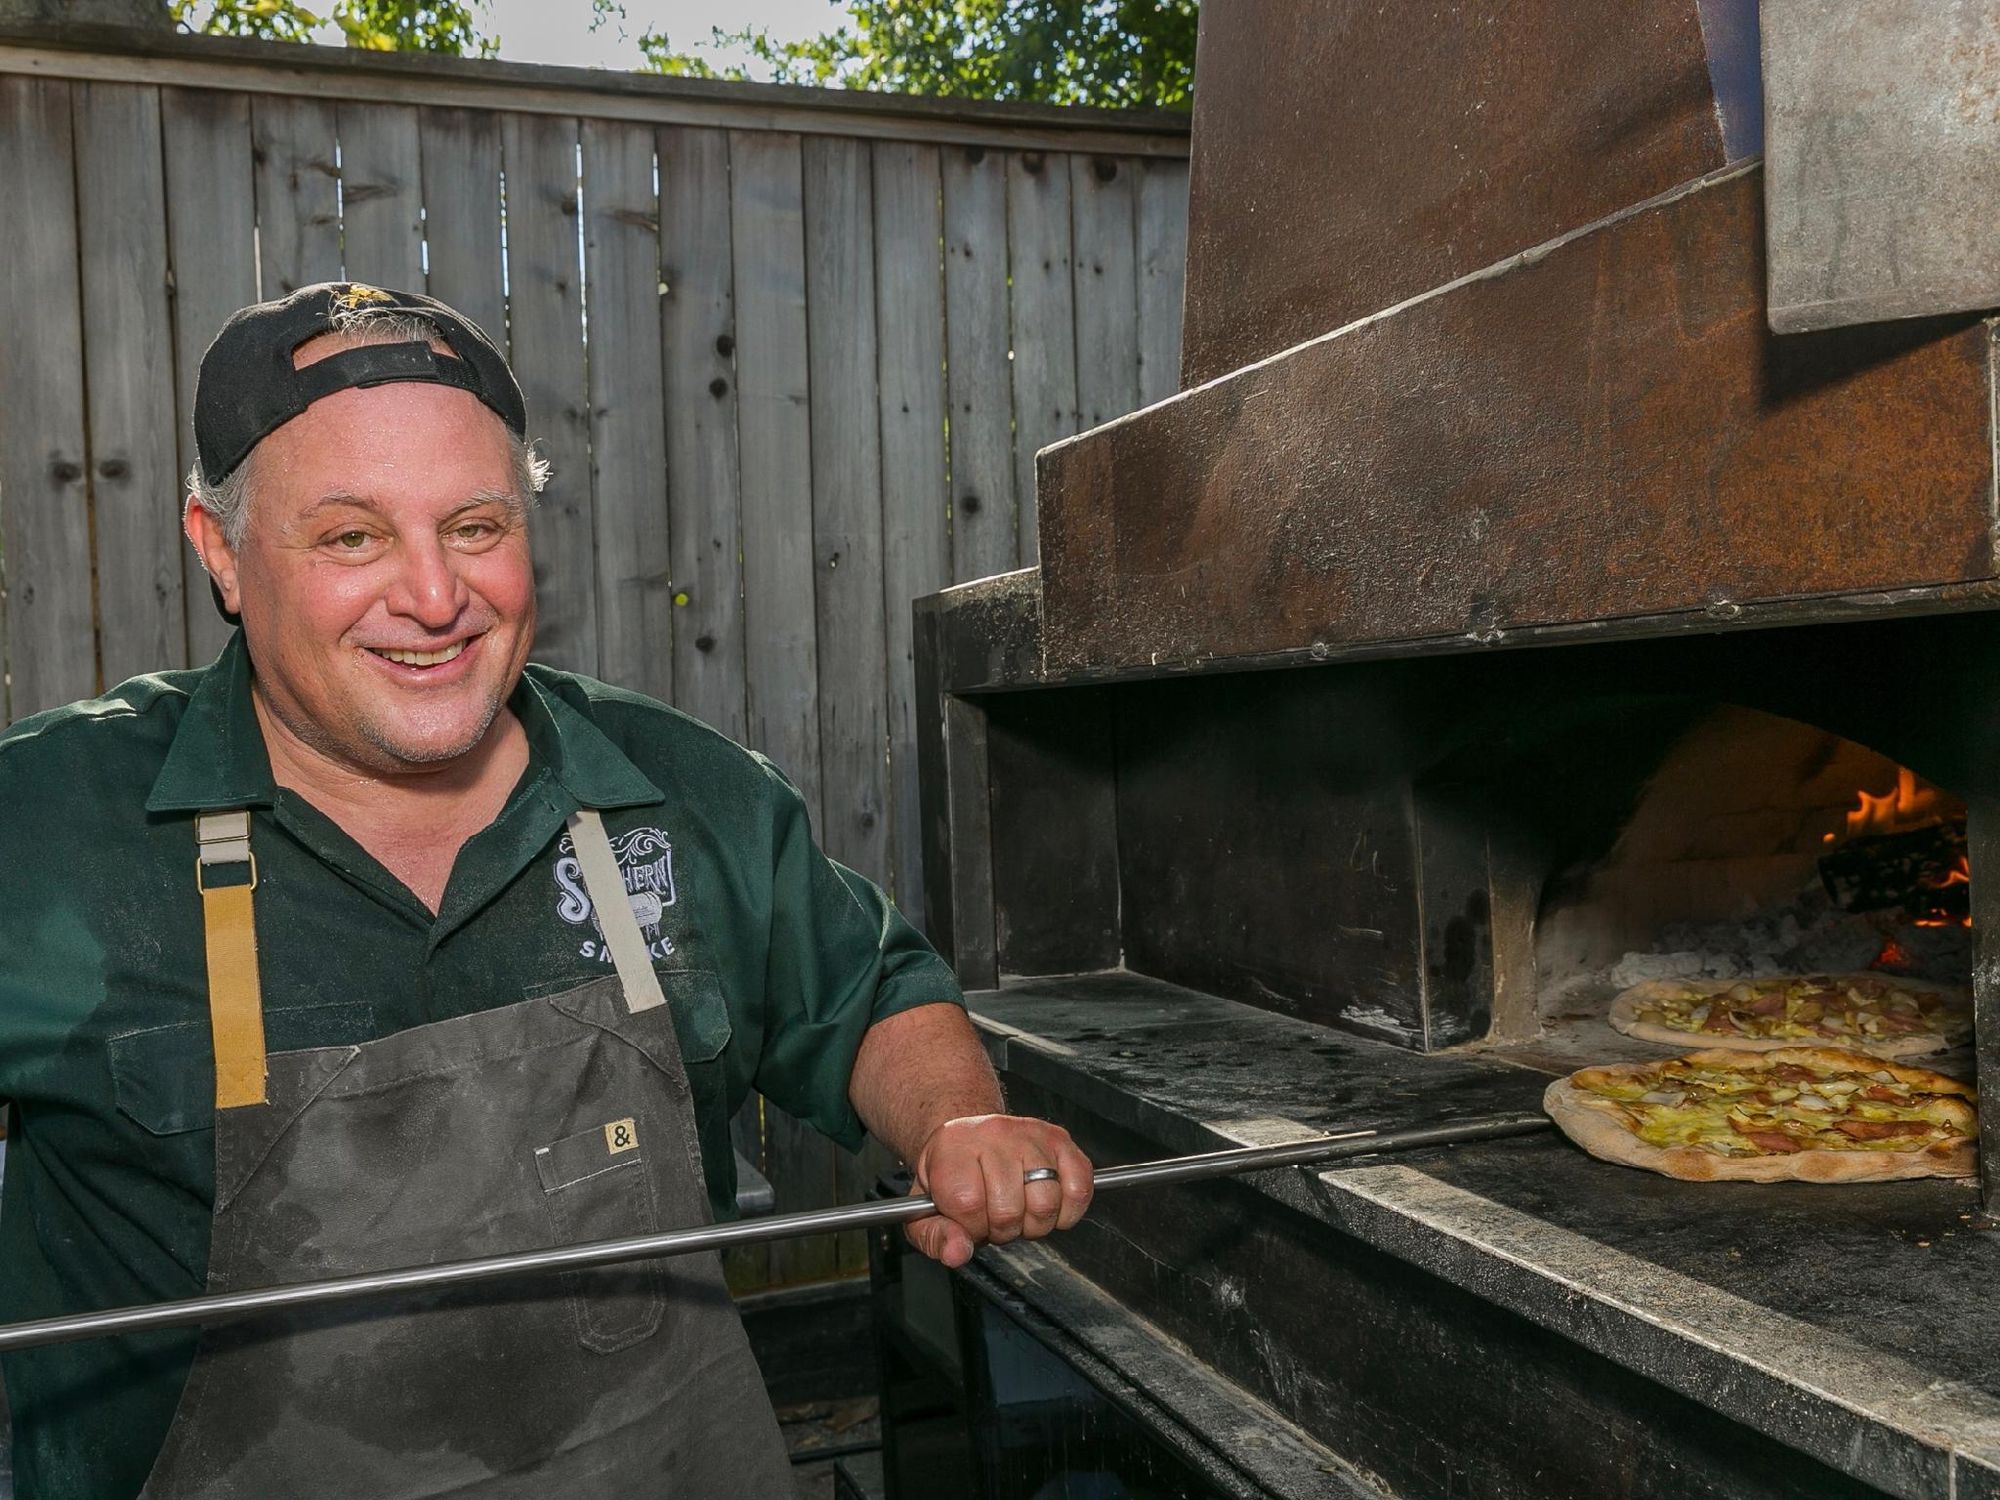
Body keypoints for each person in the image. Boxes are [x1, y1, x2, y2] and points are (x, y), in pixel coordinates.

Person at [0, 282, 1094, 1499]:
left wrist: (954, 1119)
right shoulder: (47, 829)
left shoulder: (674, 791)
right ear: (222, 553)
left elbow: (869, 985)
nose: (431, 598)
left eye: (475, 527)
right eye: (352, 536)